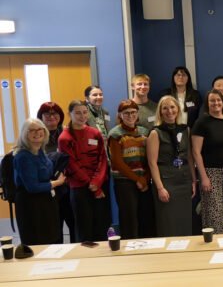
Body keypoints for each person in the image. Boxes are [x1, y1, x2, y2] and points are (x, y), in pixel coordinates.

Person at [59, 100, 111, 242]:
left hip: (99, 185)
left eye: (84, 112)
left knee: (101, 225)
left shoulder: (95, 133)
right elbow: (72, 164)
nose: (82, 116)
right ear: (70, 114)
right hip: (80, 188)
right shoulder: (65, 138)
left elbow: (102, 158)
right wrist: (92, 185)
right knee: (84, 226)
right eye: (77, 113)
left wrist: (97, 182)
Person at [191, 91, 223, 234]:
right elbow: (196, 152)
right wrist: (204, 177)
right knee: (214, 210)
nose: (216, 103)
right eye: (212, 101)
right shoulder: (202, 122)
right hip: (211, 172)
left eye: (218, 100)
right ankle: (215, 244)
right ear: (207, 104)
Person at [147, 96, 194, 237]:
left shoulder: (186, 130)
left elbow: (190, 157)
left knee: (184, 221)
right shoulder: (156, 133)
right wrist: (160, 188)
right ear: (160, 112)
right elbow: (152, 163)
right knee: (168, 222)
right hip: (166, 182)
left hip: (184, 179)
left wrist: (193, 181)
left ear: (178, 109)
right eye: (165, 108)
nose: (169, 111)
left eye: (172, 107)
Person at [13, 118, 65, 245]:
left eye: (39, 129)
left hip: (46, 202)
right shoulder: (23, 156)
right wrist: (57, 183)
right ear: (25, 134)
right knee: (38, 244)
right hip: (31, 207)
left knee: (53, 240)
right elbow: (32, 187)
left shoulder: (40, 150)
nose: (37, 133)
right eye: (32, 130)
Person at [108, 100, 153, 239]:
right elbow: (117, 162)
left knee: (145, 217)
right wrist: (137, 179)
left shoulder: (145, 132)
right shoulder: (115, 134)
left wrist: (145, 178)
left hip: (144, 181)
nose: (130, 115)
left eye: (133, 112)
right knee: (129, 219)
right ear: (120, 115)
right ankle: (129, 249)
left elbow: (150, 158)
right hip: (124, 182)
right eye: (126, 113)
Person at [38, 102, 75, 241]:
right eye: (47, 114)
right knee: (54, 226)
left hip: (69, 185)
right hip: (49, 187)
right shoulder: (36, 135)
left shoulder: (68, 133)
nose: (51, 116)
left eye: (55, 113)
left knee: (73, 223)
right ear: (41, 116)